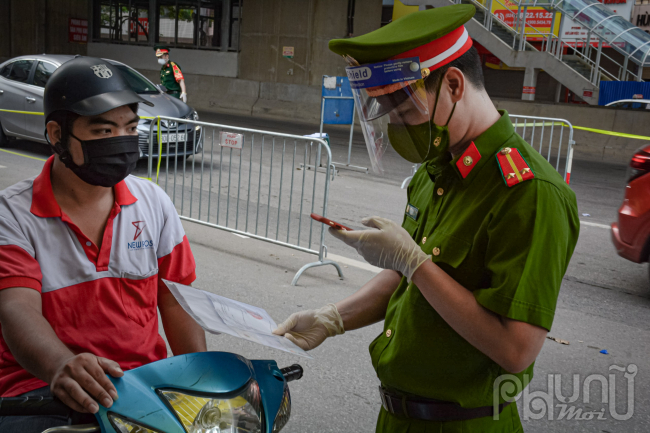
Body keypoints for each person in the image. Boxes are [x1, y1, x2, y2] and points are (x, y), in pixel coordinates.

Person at [273, 5, 580, 432]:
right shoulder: (436, 171)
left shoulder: (530, 194)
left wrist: (416, 263)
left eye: (407, 112)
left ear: (453, 84)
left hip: (463, 424)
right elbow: (406, 277)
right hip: (396, 417)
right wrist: (333, 317)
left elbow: (516, 348)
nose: (401, 126)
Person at [0, 57, 206, 432]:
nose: (121, 141)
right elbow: (16, 309)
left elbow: (177, 303)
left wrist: (200, 385)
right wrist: (60, 364)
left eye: (130, 127)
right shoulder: (12, 215)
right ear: (56, 134)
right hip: (42, 390)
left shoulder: (153, 202)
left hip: (144, 388)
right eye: (103, 130)